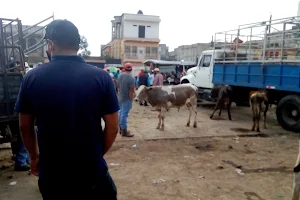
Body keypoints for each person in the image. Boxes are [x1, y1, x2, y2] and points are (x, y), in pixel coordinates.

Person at [15, 19, 119, 200]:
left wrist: (33, 157)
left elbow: (25, 126)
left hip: (53, 175)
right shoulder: (101, 78)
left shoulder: (32, 77)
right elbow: (113, 126)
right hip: (92, 174)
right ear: (78, 45)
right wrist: (96, 154)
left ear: (50, 44)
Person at [117, 63, 135, 137]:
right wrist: (131, 99)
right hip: (127, 98)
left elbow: (118, 86)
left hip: (120, 97)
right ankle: (124, 131)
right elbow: (131, 91)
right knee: (124, 114)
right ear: (131, 69)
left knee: (120, 113)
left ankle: (121, 129)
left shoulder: (120, 75)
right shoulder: (132, 78)